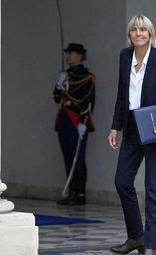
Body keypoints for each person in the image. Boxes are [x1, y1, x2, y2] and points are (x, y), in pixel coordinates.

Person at [108, 15, 156, 255]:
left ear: (150, 33)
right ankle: (136, 237)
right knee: (122, 180)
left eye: (143, 30)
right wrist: (115, 126)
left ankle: (149, 246)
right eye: (134, 30)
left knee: (153, 188)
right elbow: (122, 94)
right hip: (131, 127)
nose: (138, 34)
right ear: (129, 34)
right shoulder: (124, 56)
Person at [53, 43, 95, 206]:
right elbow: (57, 98)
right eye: (67, 53)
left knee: (78, 156)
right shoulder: (65, 74)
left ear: (80, 55)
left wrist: (84, 122)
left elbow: (90, 100)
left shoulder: (87, 75)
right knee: (68, 156)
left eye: (71, 53)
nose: (67, 56)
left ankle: (80, 194)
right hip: (64, 117)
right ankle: (72, 192)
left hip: (76, 118)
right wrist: (59, 84)